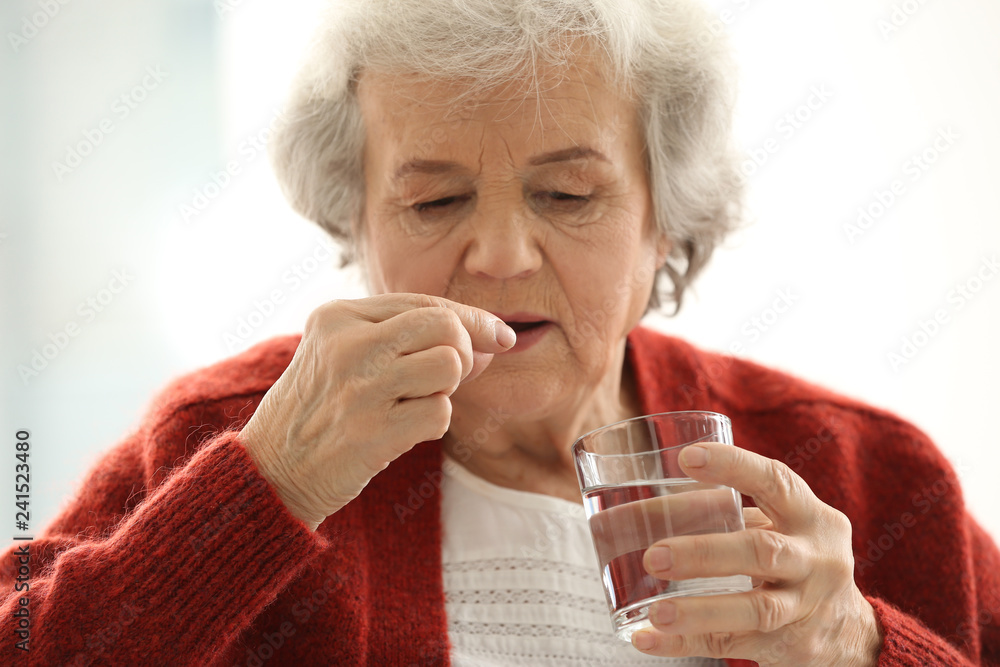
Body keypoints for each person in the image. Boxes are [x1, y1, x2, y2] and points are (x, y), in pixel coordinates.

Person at [2, 0, 999, 665]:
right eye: (434, 201)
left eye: (566, 193)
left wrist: (861, 641)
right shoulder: (229, 439)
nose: (501, 256)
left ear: (665, 219)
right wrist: (271, 489)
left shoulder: (871, 472)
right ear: (355, 225)